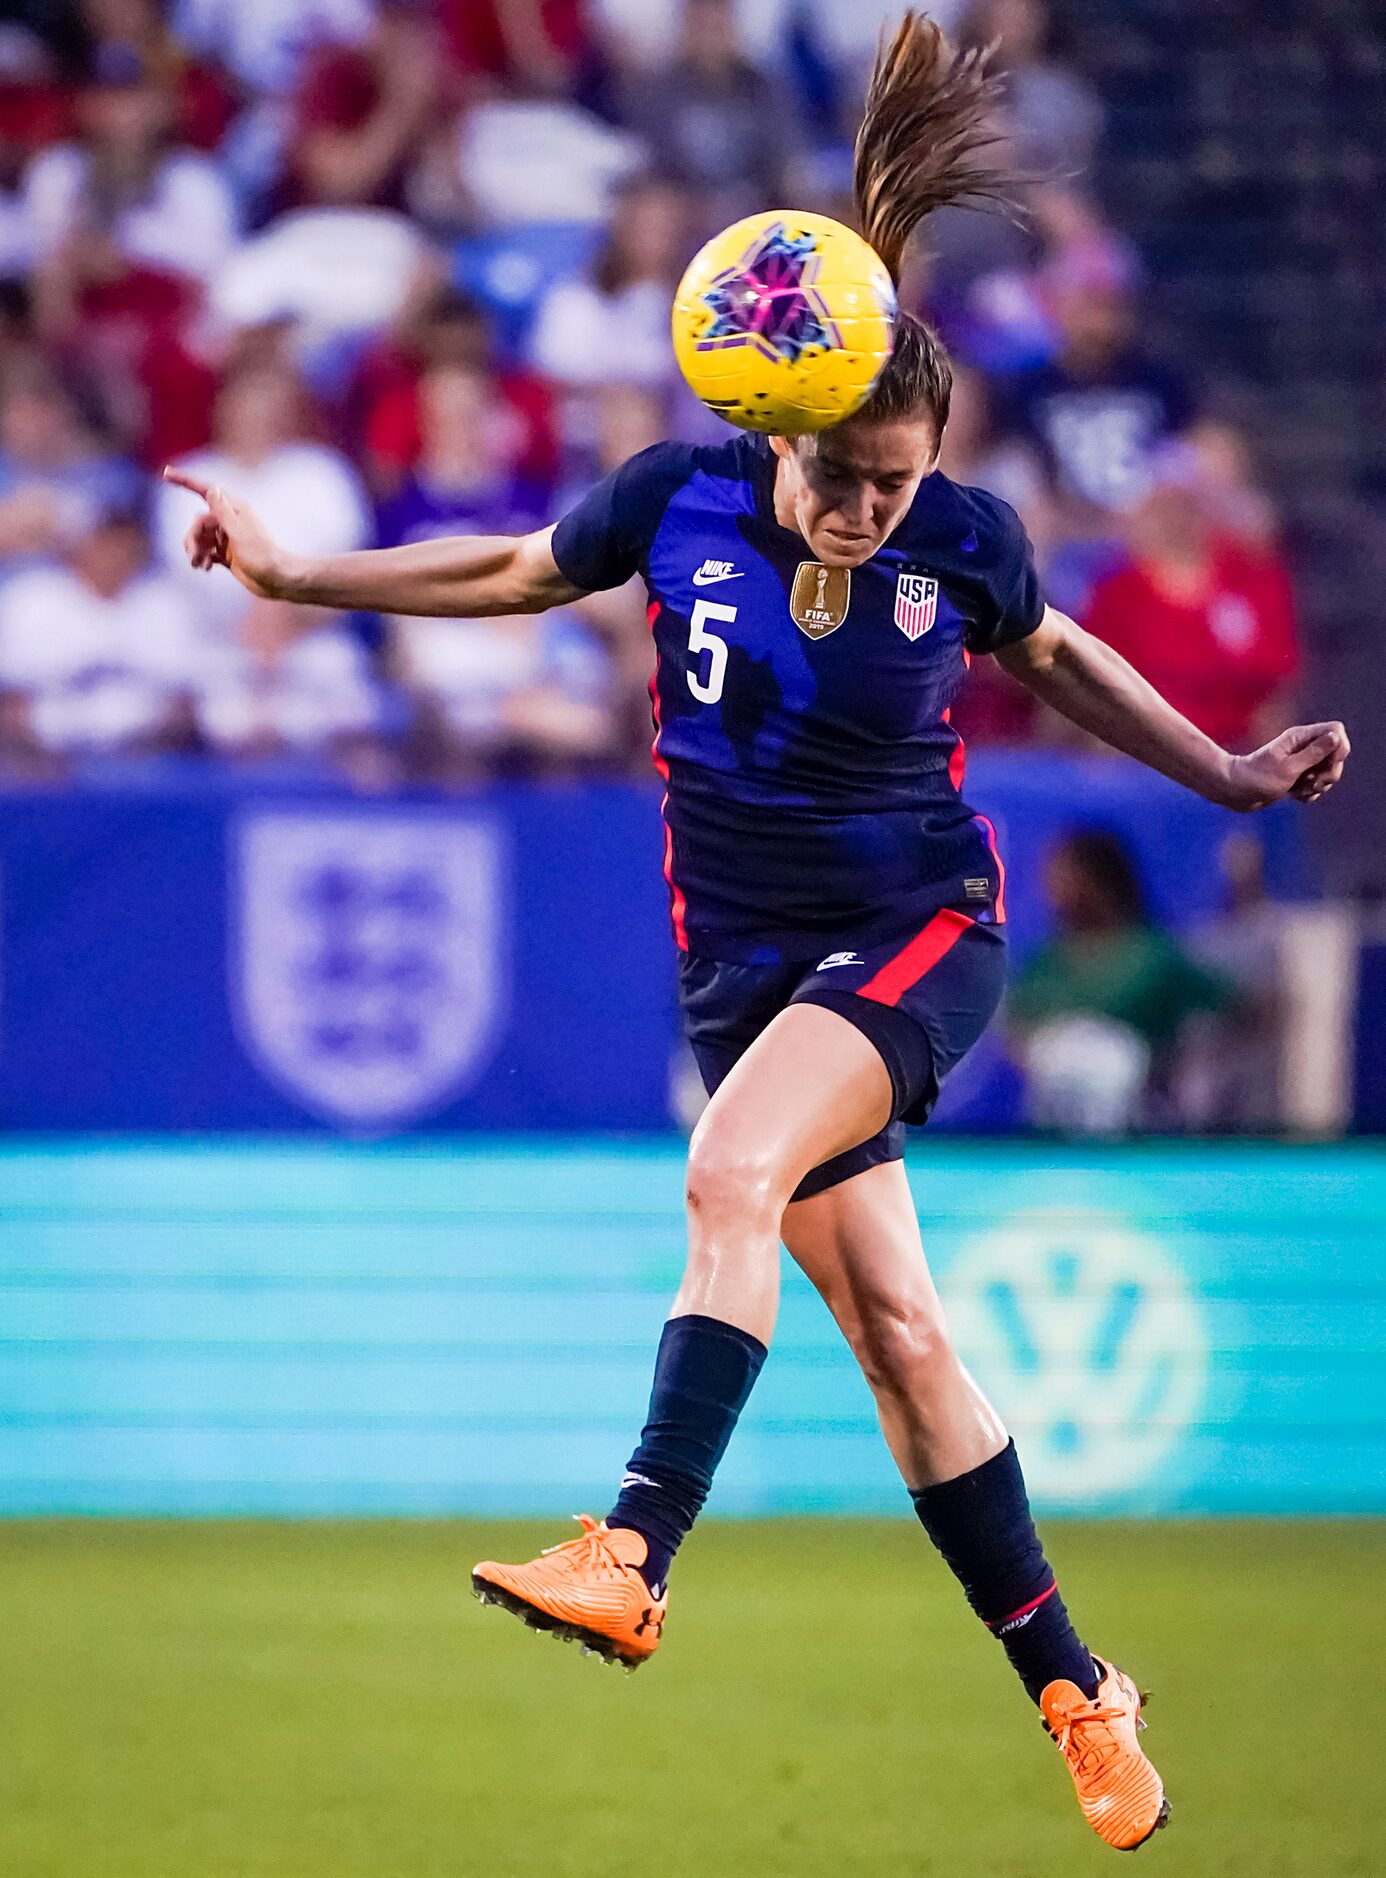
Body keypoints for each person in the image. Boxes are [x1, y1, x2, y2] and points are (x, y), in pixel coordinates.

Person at [164, 17, 1350, 1854]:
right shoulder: (681, 497)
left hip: (911, 928)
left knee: (726, 1170)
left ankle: (632, 1543)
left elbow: (1062, 657)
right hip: (745, 965)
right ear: (784, 427)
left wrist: (1225, 773)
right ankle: (1077, 1689)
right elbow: (500, 568)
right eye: (851, 480)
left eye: (900, 484)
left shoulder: (960, 537)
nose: (873, 510)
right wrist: (291, 571)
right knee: (896, 1335)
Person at [1008, 829, 1238, 1134]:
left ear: (1099, 880)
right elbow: (1017, 1028)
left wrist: (1168, 1067)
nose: (1053, 888)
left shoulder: (1153, 954)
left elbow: (1236, 1010)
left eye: (1065, 874)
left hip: (1138, 1131)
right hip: (1053, 1134)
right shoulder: (1046, 960)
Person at [1082, 442, 1299, 751]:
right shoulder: (1113, 592)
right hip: (1147, 760)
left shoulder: (1253, 578)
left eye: (1178, 505)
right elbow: (1099, 698)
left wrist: (1271, 777)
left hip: (1238, 757)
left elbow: (1275, 693)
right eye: (1155, 506)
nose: (1168, 518)